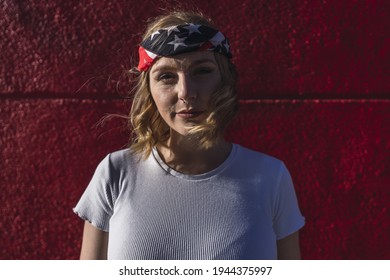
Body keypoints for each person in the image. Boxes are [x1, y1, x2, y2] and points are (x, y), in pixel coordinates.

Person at [74, 10, 305, 260]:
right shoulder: (116, 172)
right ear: (148, 90)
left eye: (202, 71)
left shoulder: (270, 177)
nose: (185, 92)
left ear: (224, 80)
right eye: (166, 77)